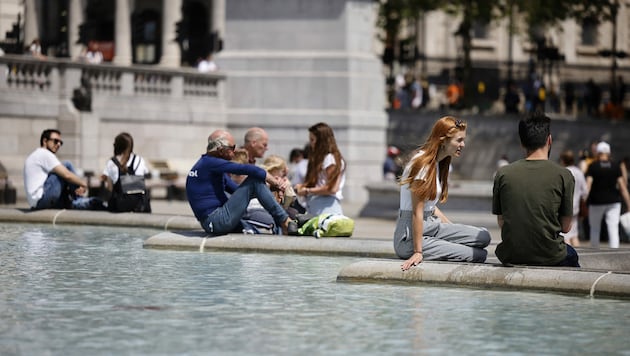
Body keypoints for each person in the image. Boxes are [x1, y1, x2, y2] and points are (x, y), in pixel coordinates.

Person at [393, 116, 491, 271]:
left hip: (432, 225)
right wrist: (418, 252)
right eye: (459, 140)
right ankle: (420, 247)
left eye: (463, 140)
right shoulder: (422, 165)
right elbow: (417, 213)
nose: (462, 145)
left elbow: (430, 207)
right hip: (410, 237)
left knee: (484, 236)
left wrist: (453, 230)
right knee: (479, 255)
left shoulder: (438, 164)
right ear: (443, 140)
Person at [492, 111, 579, 267]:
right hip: (551, 254)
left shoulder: (503, 174)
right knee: (572, 255)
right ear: (549, 140)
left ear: (522, 143)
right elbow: (566, 228)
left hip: (510, 254)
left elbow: (501, 222)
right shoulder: (564, 175)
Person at [186, 135, 295, 236]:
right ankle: (285, 221)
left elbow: (240, 191)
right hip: (216, 220)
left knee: (256, 234)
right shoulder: (210, 162)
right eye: (232, 148)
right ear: (221, 150)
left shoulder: (209, 167)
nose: (234, 152)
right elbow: (251, 170)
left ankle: (284, 225)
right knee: (254, 179)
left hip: (215, 221)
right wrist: (276, 183)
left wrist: (271, 188)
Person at [24, 129, 104, 210]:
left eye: (60, 142)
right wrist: (83, 184)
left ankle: (74, 203)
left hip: (36, 203)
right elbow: (67, 175)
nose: (58, 144)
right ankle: (78, 199)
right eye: (55, 141)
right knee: (66, 165)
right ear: (45, 141)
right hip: (42, 199)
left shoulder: (35, 155)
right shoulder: (44, 154)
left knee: (62, 173)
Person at [585, 141, 630, 248]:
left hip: (596, 202)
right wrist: (629, 203)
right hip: (614, 202)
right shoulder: (615, 166)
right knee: (613, 227)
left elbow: (588, 185)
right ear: (609, 153)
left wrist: (583, 199)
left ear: (598, 152)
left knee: (595, 228)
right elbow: (622, 187)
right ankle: (615, 253)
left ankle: (594, 251)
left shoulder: (593, 166)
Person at [295, 122, 346, 216]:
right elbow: (320, 183)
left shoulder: (330, 159)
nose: (310, 144)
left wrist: (307, 190)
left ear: (322, 141)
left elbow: (332, 188)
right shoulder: (321, 158)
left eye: (312, 140)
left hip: (327, 208)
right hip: (317, 207)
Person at [101, 132, 151, 213]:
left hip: (119, 207)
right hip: (140, 206)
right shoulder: (139, 160)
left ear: (116, 146)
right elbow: (144, 176)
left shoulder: (112, 163)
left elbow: (109, 187)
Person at [559, 149, 588, 247]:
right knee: (574, 234)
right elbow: (585, 191)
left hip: (564, 207)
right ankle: (581, 257)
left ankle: (569, 257)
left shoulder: (563, 172)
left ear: (563, 160)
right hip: (576, 207)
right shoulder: (579, 172)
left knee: (565, 235)